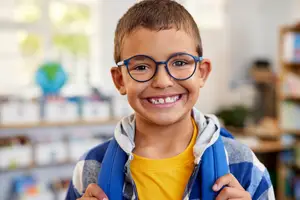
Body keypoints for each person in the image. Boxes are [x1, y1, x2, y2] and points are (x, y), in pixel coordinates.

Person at [66, 0, 275, 199]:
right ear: (120, 80)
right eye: (141, 67)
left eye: (180, 62)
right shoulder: (90, 168)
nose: (162, 81)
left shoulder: (244, 165)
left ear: (202, 72)